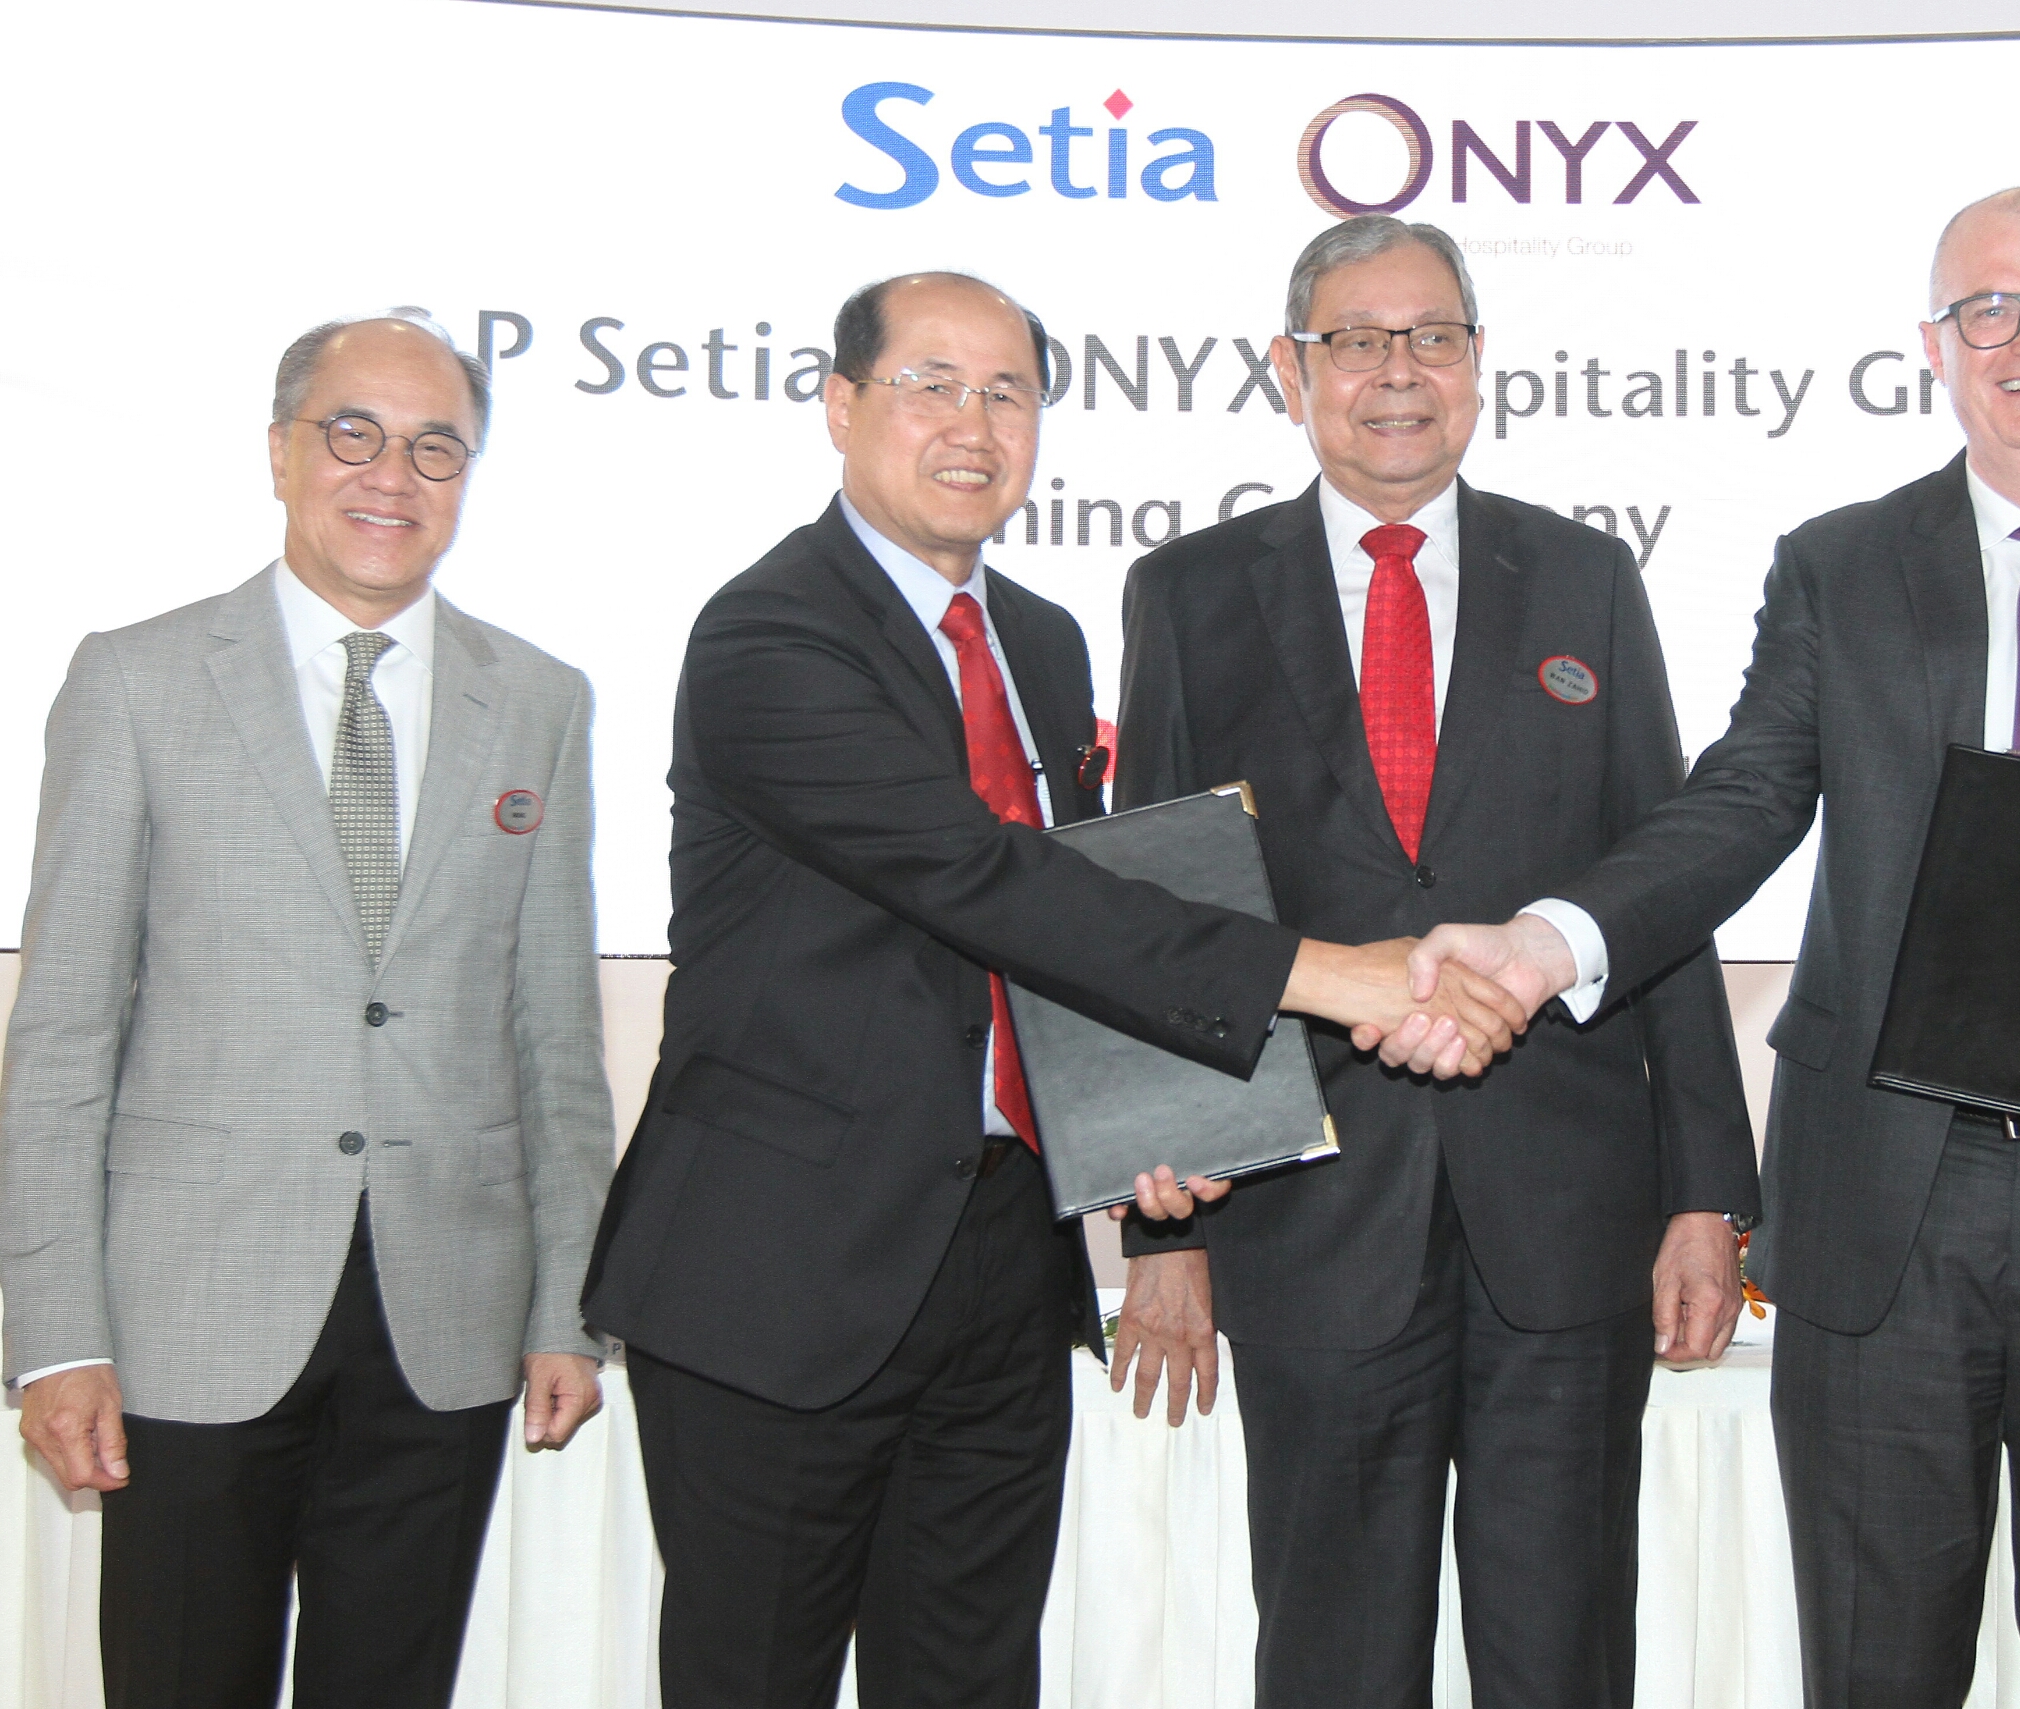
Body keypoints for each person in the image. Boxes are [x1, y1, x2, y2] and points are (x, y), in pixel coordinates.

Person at [1408, 186, 2020, 1705]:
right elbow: (1740, 801)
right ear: (1933, 343)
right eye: (1988, 308)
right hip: (1884, 1207)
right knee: (1871, 1676)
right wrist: (1550, 941)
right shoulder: (1839, 565)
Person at [578, 269, 1527, 1709]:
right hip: (780, 1270)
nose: (974, 425)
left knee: (974, 1680)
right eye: (932, 386)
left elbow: (1087, 927)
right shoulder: (768, 636)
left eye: (1008, 393)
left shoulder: (1040, 638)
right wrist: (1336, 976)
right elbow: (986, 879)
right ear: (839, 405)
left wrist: (1160, 1128)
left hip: (1003, 1261)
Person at [1106, 214, 1760, 1709]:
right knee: (1334, 1663)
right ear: (1291, 372)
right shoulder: (1188, 593)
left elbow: (1661, 893)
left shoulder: (1586, 576)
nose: (1397, 372)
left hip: (1568, 1225)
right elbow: (1155, 914)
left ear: (1478, 365)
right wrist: (1162, 1236)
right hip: (1308, 1222)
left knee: (1562, 1660)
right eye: (1356, 340)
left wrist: (1703, 1192)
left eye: (1433, 338)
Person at [1, 310, 614, 1708]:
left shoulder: (540, 701)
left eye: (435, 447)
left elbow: (554, 1041)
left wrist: (566, 1306)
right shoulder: (136, 681)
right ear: (281, 451)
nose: (392, 475)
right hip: (188, 1320)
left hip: (446, 1323)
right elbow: (63, 1040)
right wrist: (59, 1334)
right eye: (354, 434)